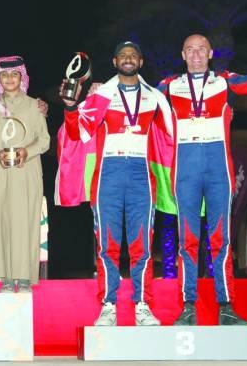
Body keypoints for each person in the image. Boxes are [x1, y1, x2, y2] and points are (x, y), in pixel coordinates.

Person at [158, 24, 247, 325]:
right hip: (186, 167)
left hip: (218, 168)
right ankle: (188, 306)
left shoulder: (226, 82)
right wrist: (99, 91)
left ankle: (225, 307)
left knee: (221, 239)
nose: (197, 54)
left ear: (211, 54)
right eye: (190, 49)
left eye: (202, 48)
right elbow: (132, 96)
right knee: (187, 239)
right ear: (183, 55)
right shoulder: (168, 86)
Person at [57, 42, 174, 326]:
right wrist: (71, 107)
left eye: (133, 55)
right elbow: (77, 131)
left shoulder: (155, 98)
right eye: (123, 55)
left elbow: (169, 138)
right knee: (107, 243)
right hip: (108, 171)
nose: (128, 59)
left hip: (141, 173)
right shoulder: (102, 95)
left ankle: (143, 304)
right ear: (114, 61)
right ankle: (108, 304)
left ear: (141, 61)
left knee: (141, 243)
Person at [0, 56, 49, 294]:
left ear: (22, 77)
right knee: (3, 222)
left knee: (27, 223)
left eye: (14, 75)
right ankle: (6, 277)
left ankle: (26, 277)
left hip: (27, 172)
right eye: (4, 75)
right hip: (1, 173)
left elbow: (45, 140)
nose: (9, 79)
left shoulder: (33, 105)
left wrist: (26, 152)